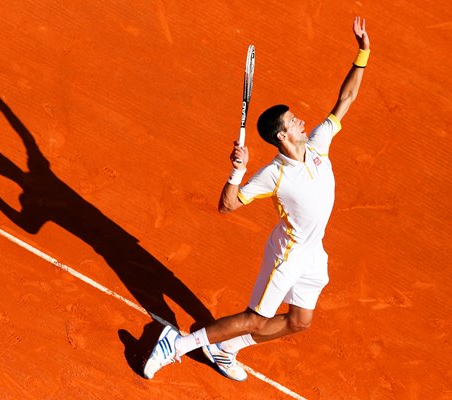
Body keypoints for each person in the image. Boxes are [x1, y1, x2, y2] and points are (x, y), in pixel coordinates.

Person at [143, 16, 371, 381]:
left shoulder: (318, 145)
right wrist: (237, 171)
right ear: (281, 136)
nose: (302, 122)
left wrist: (363, 53)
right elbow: (228, 205)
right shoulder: (274, 174)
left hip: (314, 252)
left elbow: (346, 97)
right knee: (256, 317)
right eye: (294, 121)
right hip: (288, 252)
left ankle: (226, 348)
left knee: (299, 322)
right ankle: (177, 343)